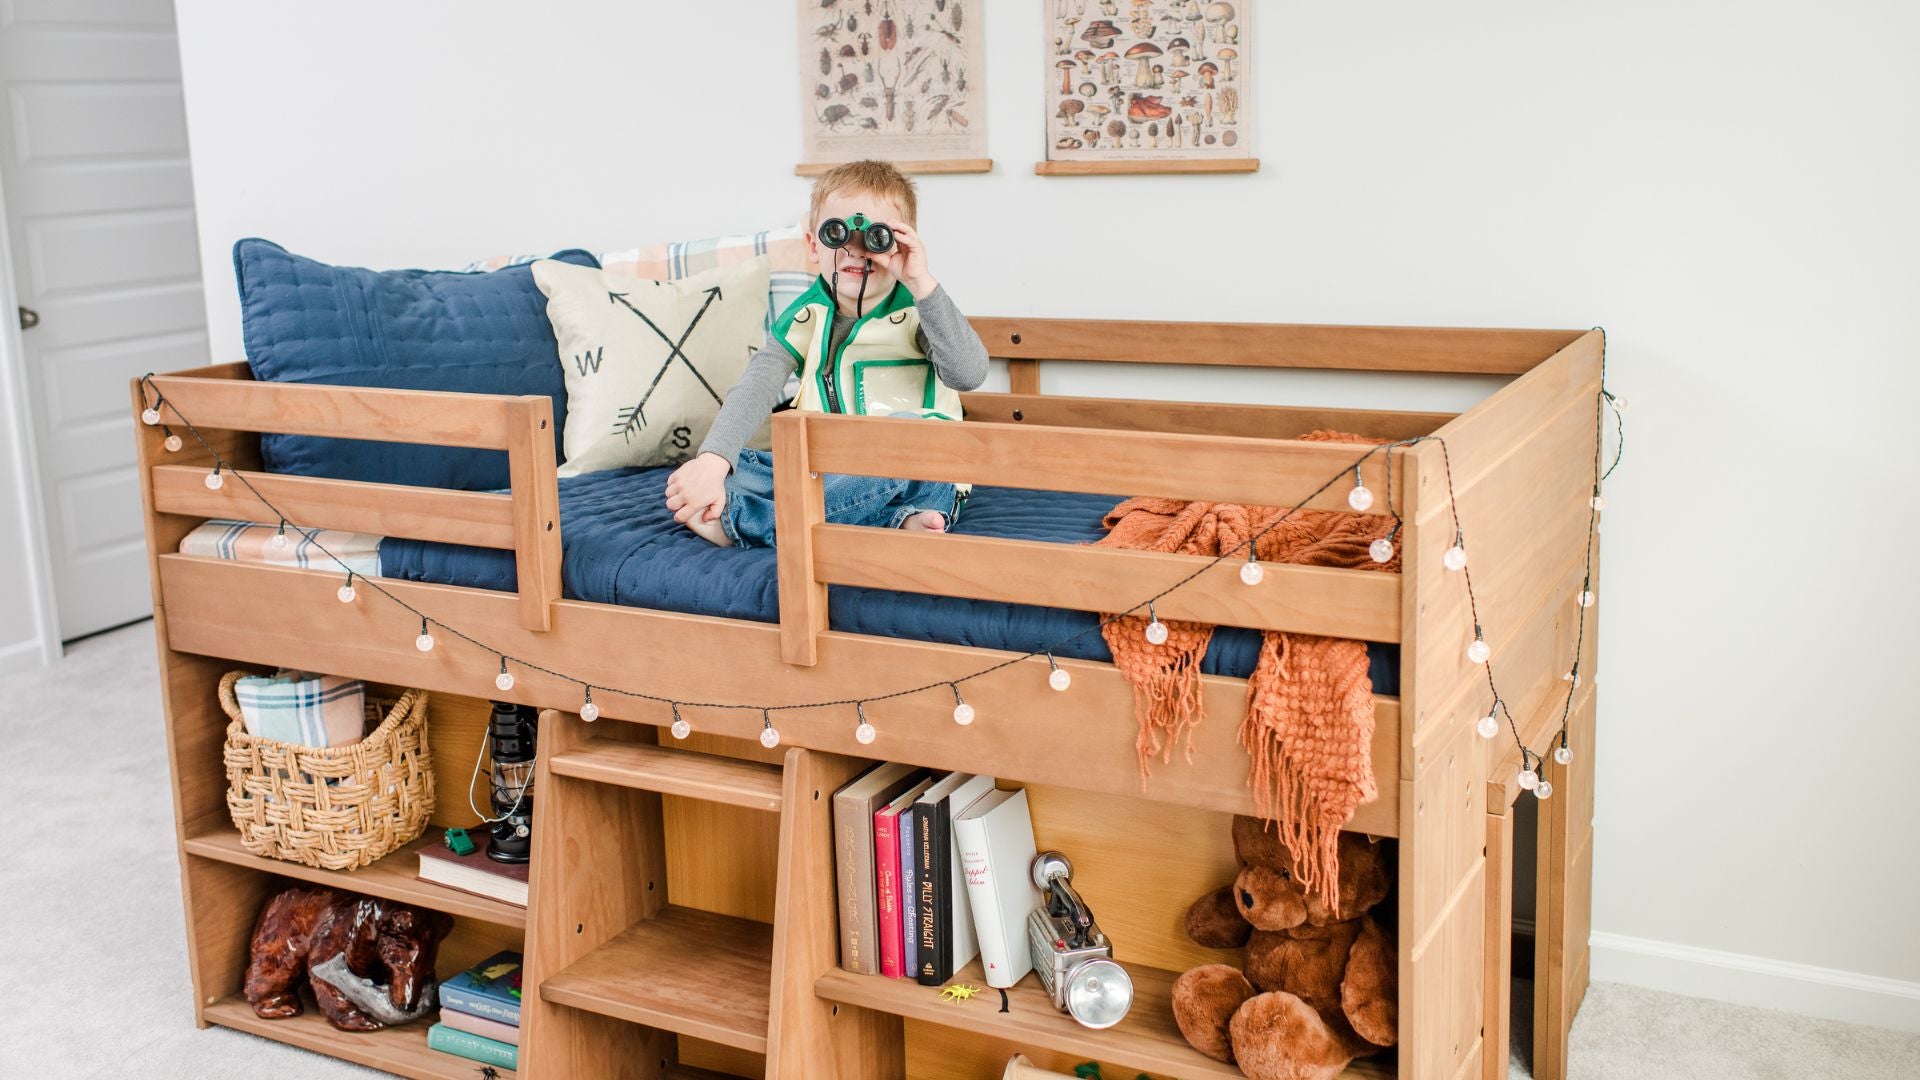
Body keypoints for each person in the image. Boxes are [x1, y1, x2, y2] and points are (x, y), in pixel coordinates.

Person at [664, 160, 989, 547]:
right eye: (838, 234)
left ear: (902, 241)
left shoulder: (919, 313)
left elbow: (967, 375)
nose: (856, 250)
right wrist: (711, 462)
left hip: (916, 468)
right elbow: (754, 390)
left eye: (875, 237)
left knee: (907, 437)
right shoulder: (805, 317)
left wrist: (920, 281)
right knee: (723, 468)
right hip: (830, 470)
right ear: (813, 244)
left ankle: (751, 524)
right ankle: (891, 522)